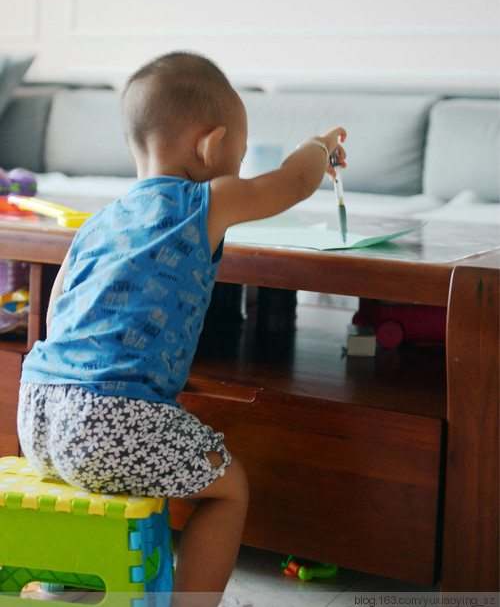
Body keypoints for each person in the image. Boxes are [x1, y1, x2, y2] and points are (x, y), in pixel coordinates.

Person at [17, 51, 346, 607]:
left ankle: (72, 581)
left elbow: (56, 312)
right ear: (211, 146)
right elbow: (291, 182)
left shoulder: (98, 220)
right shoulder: (205, 201)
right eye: (238, 155)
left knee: (102, 465)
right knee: (228, 489)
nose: (239, 168)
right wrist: (320, 147)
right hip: (108, 420)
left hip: (36, 412)